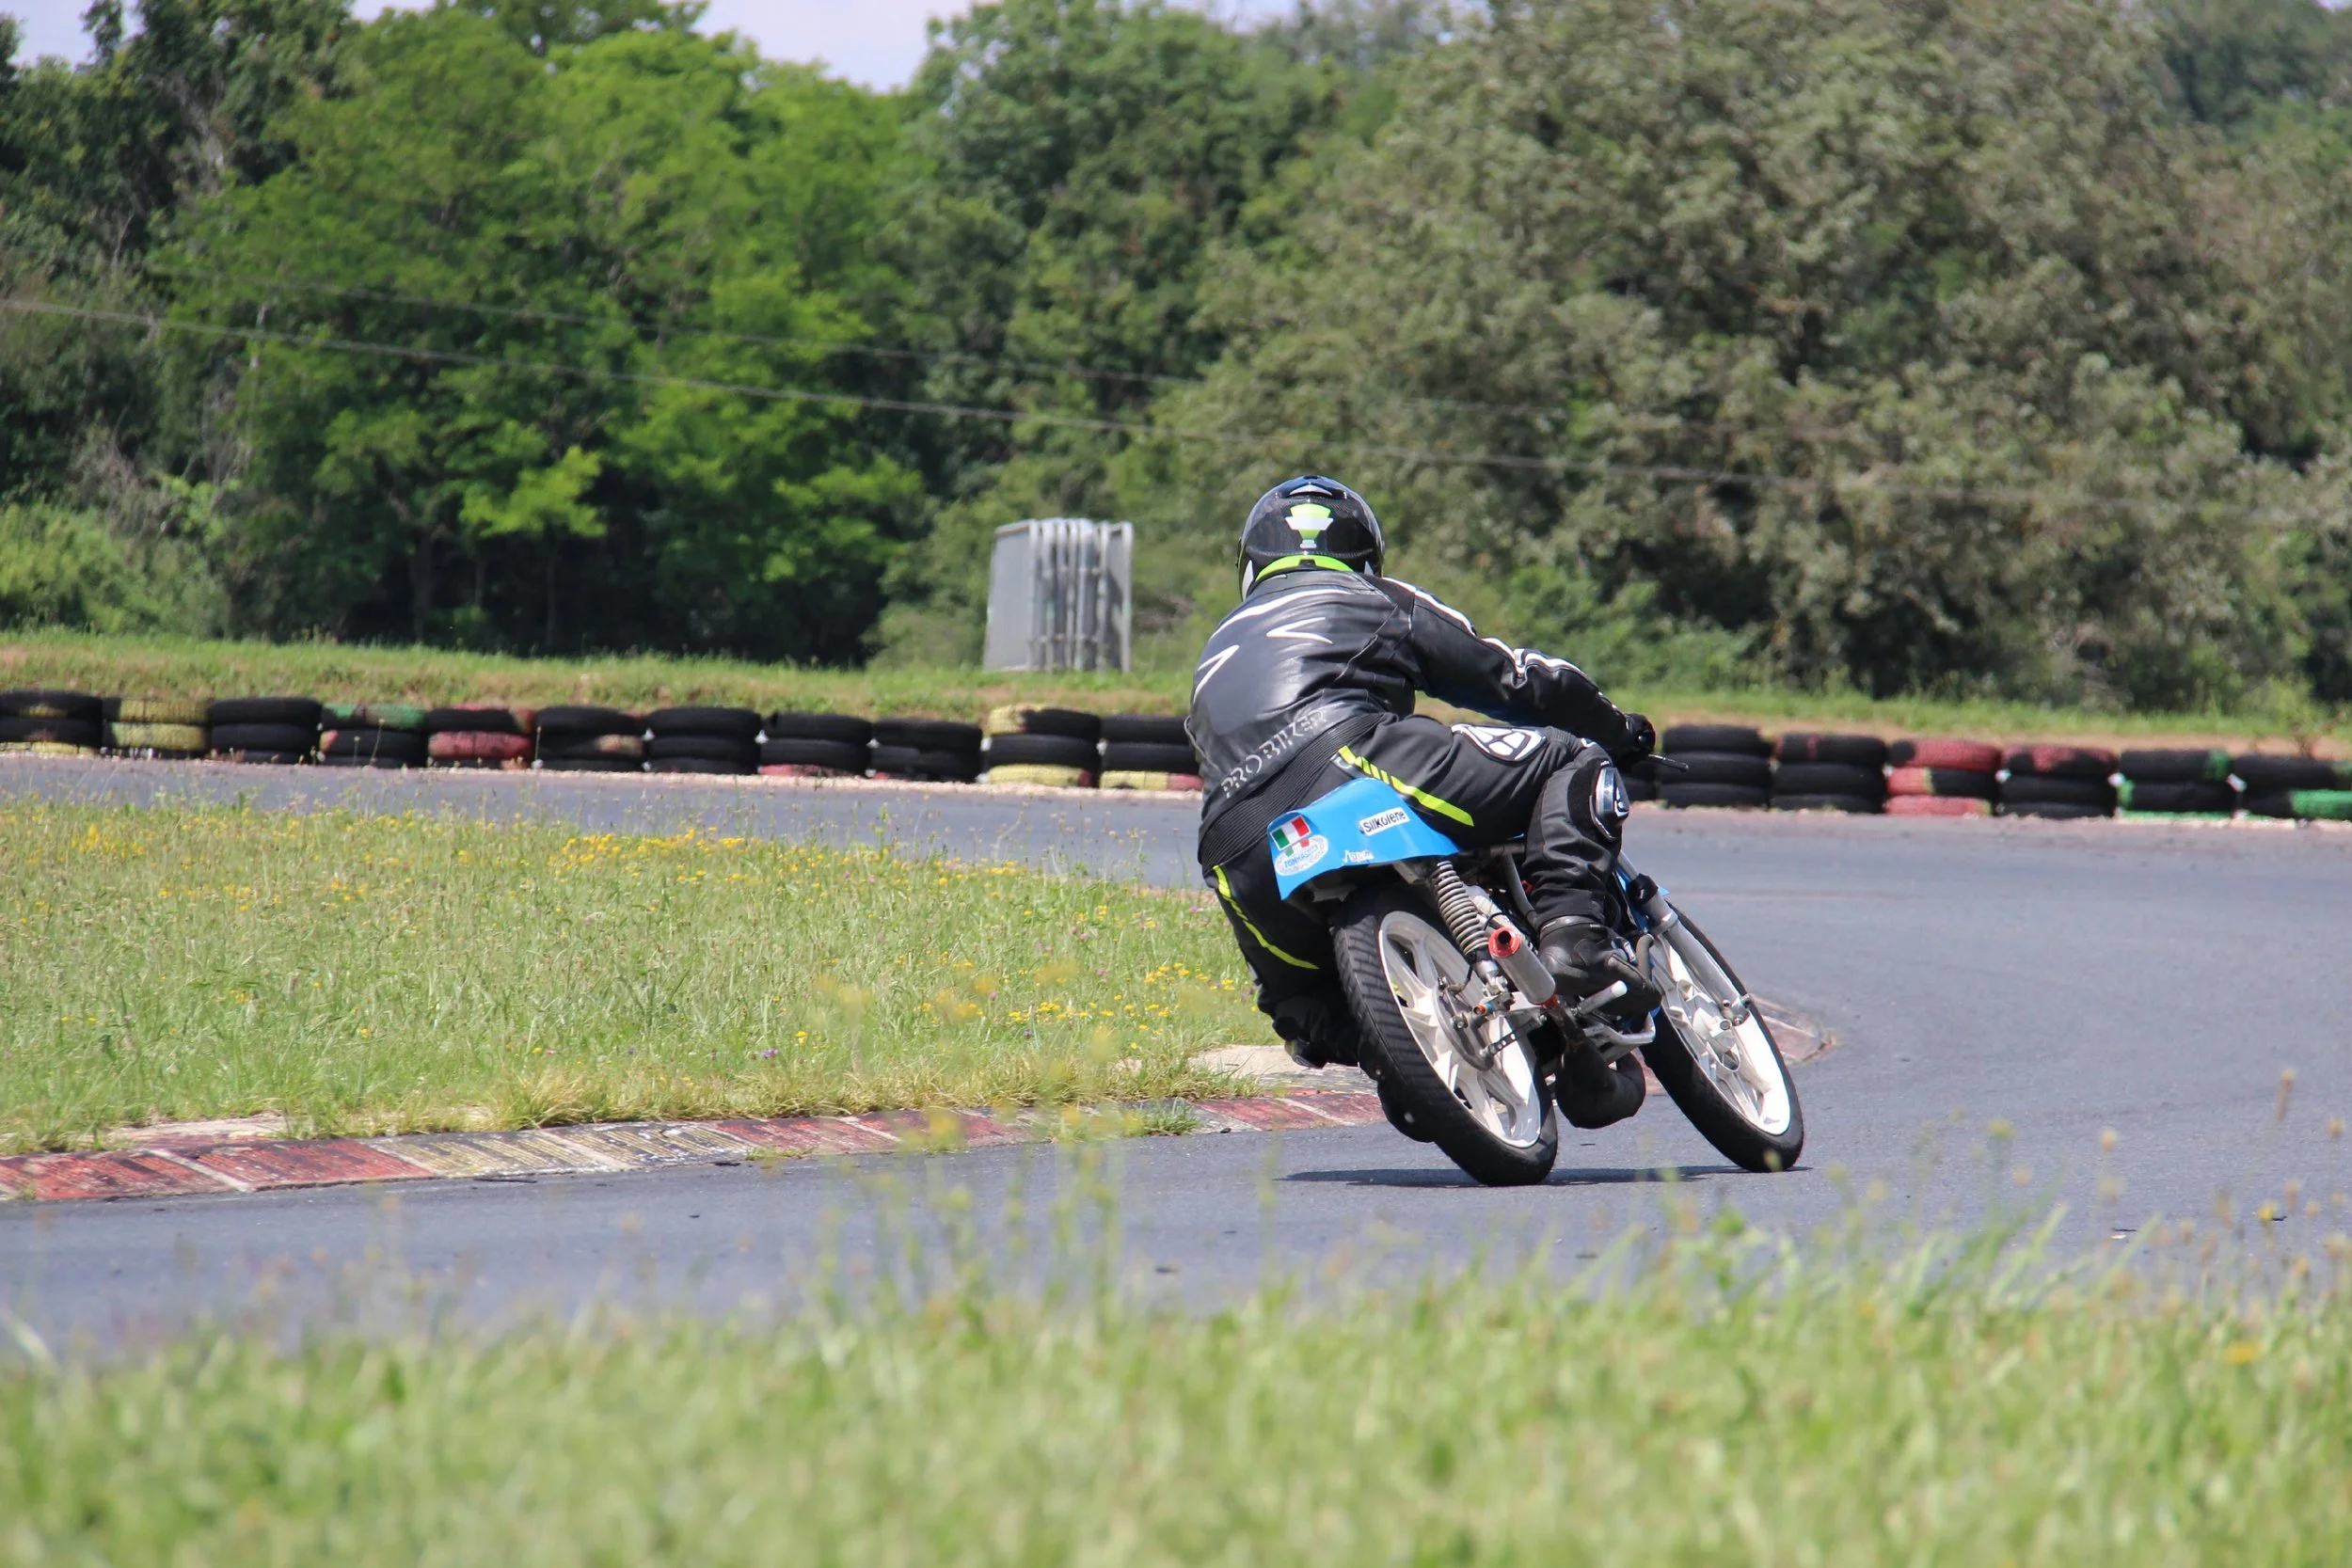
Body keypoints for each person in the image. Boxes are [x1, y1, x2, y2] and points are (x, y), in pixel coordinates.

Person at [1187, 475, 1658, 1129]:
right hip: (1352, 754)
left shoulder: (1213, 652)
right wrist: (1617, 729)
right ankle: (1573, 935)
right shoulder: (1372, 596)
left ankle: (1393, 1064)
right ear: (1366, 556)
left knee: (1300, 1003)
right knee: (1571, 758)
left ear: (1250, 566)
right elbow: (1509, 677)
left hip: (1236, 841)